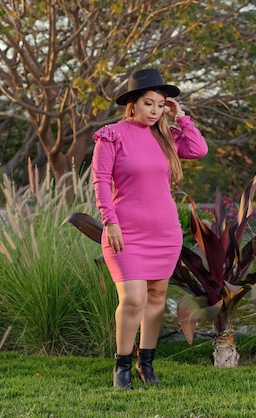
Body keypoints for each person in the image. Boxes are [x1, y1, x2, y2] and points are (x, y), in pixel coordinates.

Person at [91, 68, 208, 390]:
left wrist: (181, 117)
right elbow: (100, 181)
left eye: (160, 105)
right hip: (125, 230)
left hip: (165, 231)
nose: (155, 111)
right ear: (132, 104)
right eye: (148, 103)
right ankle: (122, 367)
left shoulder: (165, 137)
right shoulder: (111, 135)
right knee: (133, 299)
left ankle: (147, 363)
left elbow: (198, 150)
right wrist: (109, 221)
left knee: (156, 297)